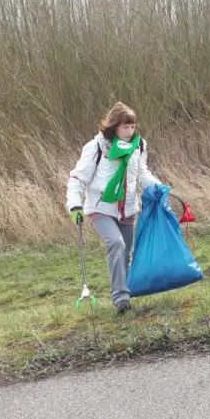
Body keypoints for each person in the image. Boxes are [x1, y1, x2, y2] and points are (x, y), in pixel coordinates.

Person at [66, 102, 163, 313]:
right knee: (116, 244)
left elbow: (142, 174)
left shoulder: (139, 146)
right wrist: (74, 206)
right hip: (100, 208)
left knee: (125, 253)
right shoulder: (97, 147)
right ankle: (120, 299)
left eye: (132, 126)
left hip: (127, 209)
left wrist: (159, 187)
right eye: (125, 127)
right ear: (114, 127)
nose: (129, 131)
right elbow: (77, 178)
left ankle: (125, 292)